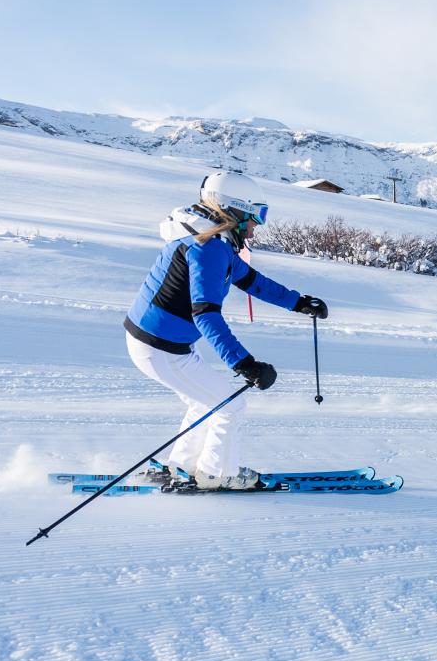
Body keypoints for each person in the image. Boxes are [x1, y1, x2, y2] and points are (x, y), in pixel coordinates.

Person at [123, 171, 329, 488]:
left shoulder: (210, 241)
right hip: (159, 347)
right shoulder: (208, 247)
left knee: (206, 402)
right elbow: (205, 312)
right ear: (234, 209)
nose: (258, 224)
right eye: (256, 214)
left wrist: (298, 302)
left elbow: (250, 280)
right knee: (230, 406)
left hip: (161, 342)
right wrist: (244, 364)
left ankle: (183, 467)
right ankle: (216, 475)